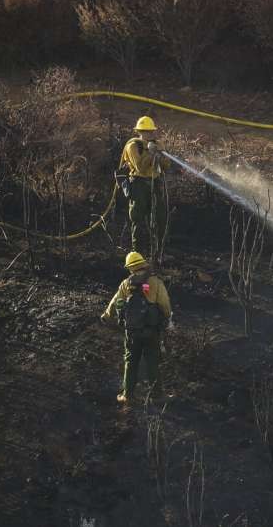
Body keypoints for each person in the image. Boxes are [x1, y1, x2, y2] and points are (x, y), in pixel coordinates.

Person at [101, 251, 173, 404]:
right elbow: (165, 304)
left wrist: (107, 316)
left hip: (132, 331)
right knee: (152, 360)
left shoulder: (126, 284)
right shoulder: (155, 282)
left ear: (130, 268)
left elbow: (115, 301)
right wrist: (166, 318)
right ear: (143, 264)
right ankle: (157, 396)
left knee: (130, 361)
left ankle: (127, 395)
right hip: (151, 330)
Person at [118, 116, 171, 256]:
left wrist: (160, 153)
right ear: (139, 131)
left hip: (155, 183)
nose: (149, 134)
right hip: (139, 184)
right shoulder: (133, 146)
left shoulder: (157, 144)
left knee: (160, 218)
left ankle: (158, 252)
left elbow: (166, 166)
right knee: (138, 218)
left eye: (151, 131)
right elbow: (140, 168)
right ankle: (138, 253)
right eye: (145, 131)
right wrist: (150, 152)